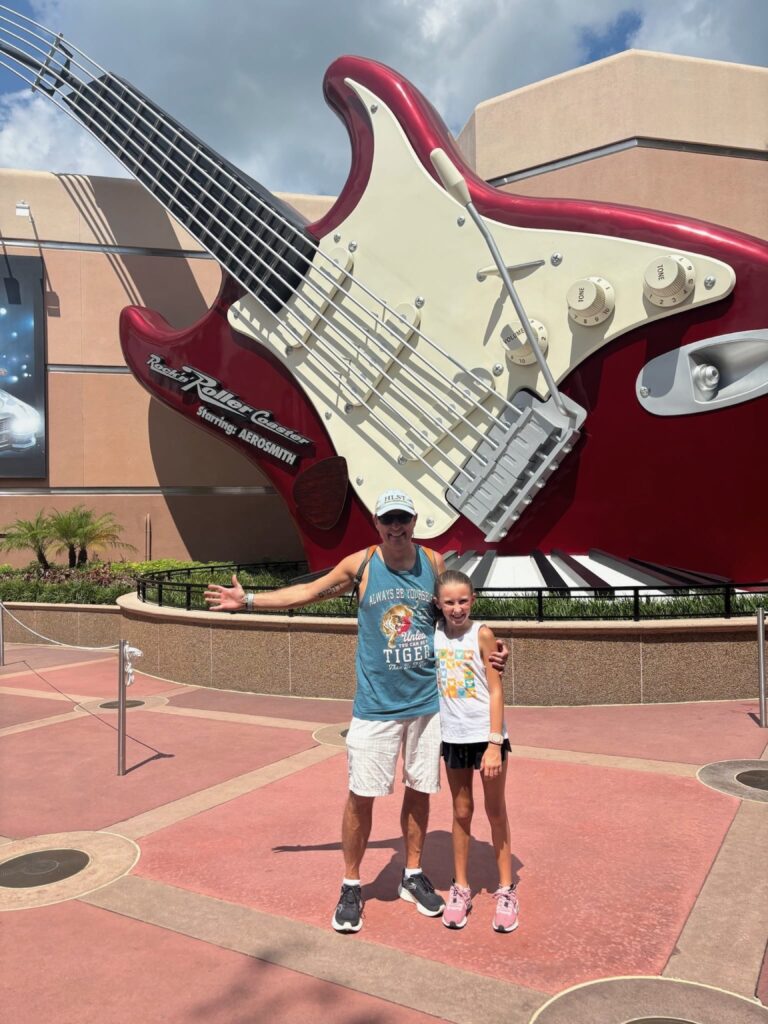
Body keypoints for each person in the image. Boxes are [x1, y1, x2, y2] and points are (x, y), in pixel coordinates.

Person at [204, 489, 507, 934]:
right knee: (361, 794)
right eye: (389, 520)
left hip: (426, 704)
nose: (396, 527)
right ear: (377, 522)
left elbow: (452, 619)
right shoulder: (361, 564)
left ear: (414, 520)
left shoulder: (434, 563)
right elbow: (308, 592)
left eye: (403, 518)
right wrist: (249, 601)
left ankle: (412, 874)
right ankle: (351, 883)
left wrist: (490, 650)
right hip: (376, 706)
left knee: (419, 789)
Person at [433, 569, 518, 933]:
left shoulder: (481, 634)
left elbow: (496, 690)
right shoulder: (433, 634)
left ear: (473, 599)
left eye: (463, 600)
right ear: (438, 603)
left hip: (486, 738)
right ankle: (461, 888)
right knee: (461, 811)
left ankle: (506, 889)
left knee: (494, 809)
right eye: (449, 602)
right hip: (453, 737)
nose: (457, 608)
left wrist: (495, 743)